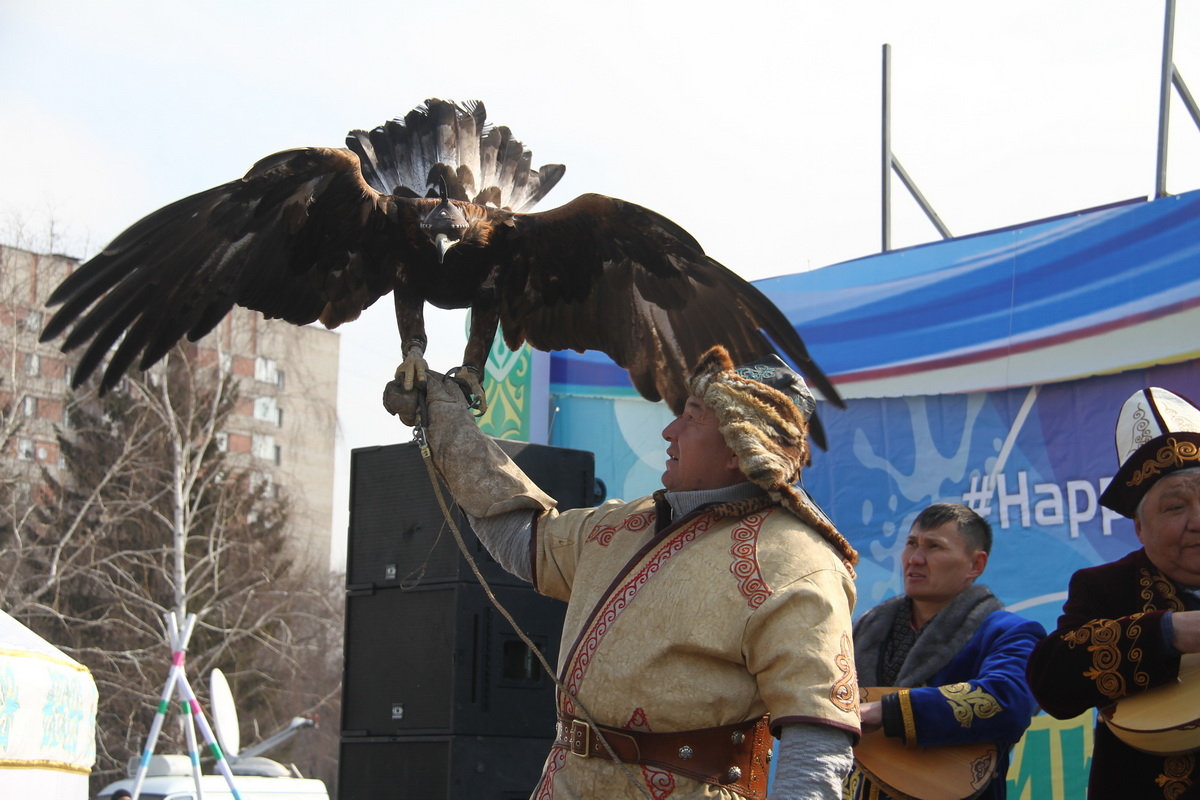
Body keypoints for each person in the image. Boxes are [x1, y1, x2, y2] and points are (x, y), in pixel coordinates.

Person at [392, 346, 861, 799]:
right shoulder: (624, 525)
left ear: (740, 448)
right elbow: (522, 536)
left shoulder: (799, 563)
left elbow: (816, 741)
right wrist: (447, 423)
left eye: (693, 416)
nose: (670, 431)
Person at [1026, 387, 1200, 799]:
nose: (1198, 521)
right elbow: (1052, 682)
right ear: (1139, 528)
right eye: (1176, 507)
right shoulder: (1105, 587)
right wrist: (1170, 632)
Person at [844, 503, 1044, 800]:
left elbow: (1009, 698)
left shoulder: (1009, 632)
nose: (915, 559)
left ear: (975, 565)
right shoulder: (862, 630)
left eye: (934, 547)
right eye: (911, 544)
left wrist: (888, 711)